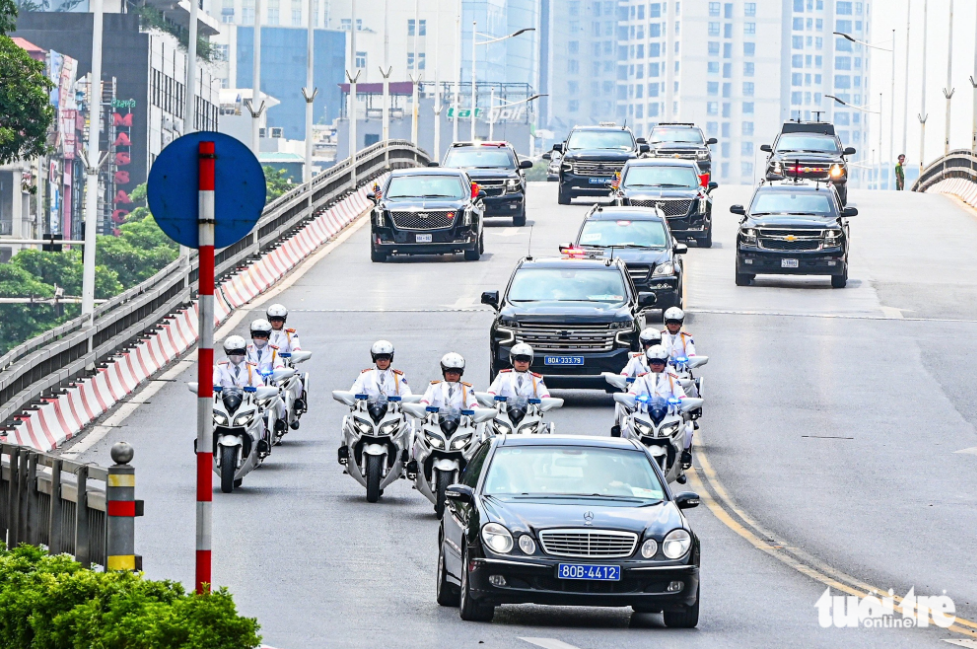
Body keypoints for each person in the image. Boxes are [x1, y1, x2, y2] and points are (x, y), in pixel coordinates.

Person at [628, 345, 694, 467]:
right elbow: (632, 393)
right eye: (653, 361)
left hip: (667, 415)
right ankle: (626, 457)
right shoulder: (641, 379)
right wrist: (629, 399)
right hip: (645, 415)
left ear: (665, 363)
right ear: (649, 362)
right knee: (626, 427)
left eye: (660, 362)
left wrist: (685, 403)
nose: (656, 365)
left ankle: (683, 457)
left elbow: (682, 396)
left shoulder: (673, 380)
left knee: (688, 429)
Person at [213, 335, 272, 453]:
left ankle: (261, 442)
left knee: (259, 415)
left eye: (239, 353)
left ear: (244, 352)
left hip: (246, 402)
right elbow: (213, 381)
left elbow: (259, 383)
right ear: (227, 353)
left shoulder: (251, 368)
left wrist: (262, 390)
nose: (236, 356)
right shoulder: (220, 368)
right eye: (232, 353)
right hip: (225, 403)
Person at [246, 319, 287, 437]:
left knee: (279, 402)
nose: (259, 338)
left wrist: (279, 369)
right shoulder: (245, 350)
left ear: (267, 336)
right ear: (252, 336)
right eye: (257, 335)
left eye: (262, 335)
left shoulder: (273, 350)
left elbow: (278, 363)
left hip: (269, 384)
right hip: (250, 386)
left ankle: (280, 422)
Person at [265, 304, 306, 412]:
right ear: (269, 319)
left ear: (284, 319)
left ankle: (297, 402)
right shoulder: (263, 334)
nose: (276, 322)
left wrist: (296, 352)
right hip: (268, 368)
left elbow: (295, 345)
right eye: (273, 319)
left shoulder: (290, 333)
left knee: (296, 382)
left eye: (279, 319)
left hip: (286, 367)